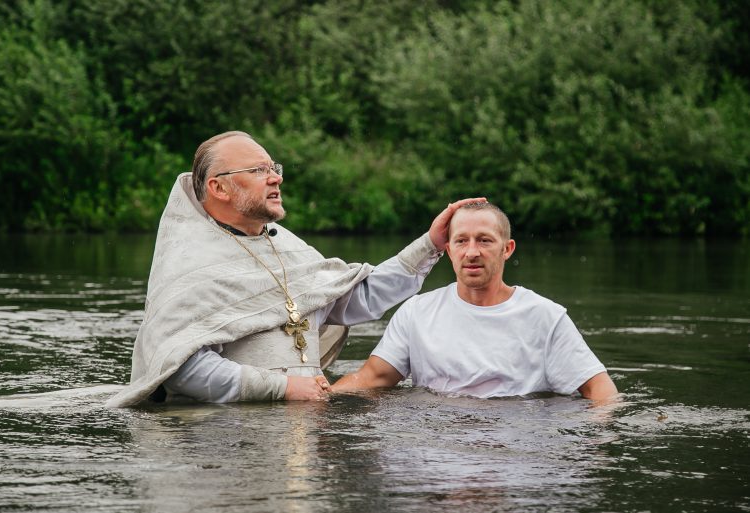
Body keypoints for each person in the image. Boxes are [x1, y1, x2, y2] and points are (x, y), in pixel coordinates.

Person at [106, 131, 481, 407]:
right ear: (219, 188)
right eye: (258, 170)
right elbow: (182, 369)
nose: (276, 178)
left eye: (274, 168)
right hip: (221, 445)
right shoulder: (190, 262)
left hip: (302, 432)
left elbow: (359, 299)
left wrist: (431, 244)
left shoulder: (288, 247)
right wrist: (283, 388)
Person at [331, 202, 618, 401]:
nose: (472, 252)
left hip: (514, 451)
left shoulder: (544, 316)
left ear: (507, 249)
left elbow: (602, 392)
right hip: (437, 449)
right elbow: (372, 378)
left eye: (484, 240)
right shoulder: (417, 312)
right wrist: (320, 399)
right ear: (448, 249)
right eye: (461, 241)